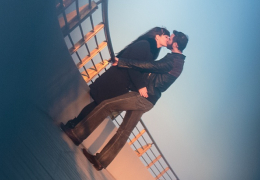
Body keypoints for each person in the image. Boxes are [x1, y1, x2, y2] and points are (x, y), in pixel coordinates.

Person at [80, 31, 188, 171]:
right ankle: (101, 161)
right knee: (124, 131)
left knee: (107, 105)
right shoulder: (178, 61)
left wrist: (123, 62)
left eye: (171, 38)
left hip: (144, 96)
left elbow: (150, 67)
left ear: (175, 44)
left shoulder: (173, 60)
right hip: (150, 100)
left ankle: (77, 134)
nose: (169, 39)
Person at [61, 27, 170, 144]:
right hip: (116, 78)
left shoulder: (152, 51)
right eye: (166, 37)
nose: (168, 39)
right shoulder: (145, 45)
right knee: (98, 105)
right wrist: (140, 86)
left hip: (122, 82)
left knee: (99, 107)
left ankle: (75, 128)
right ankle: (73, 125)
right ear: (157, 36)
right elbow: (132, 66)